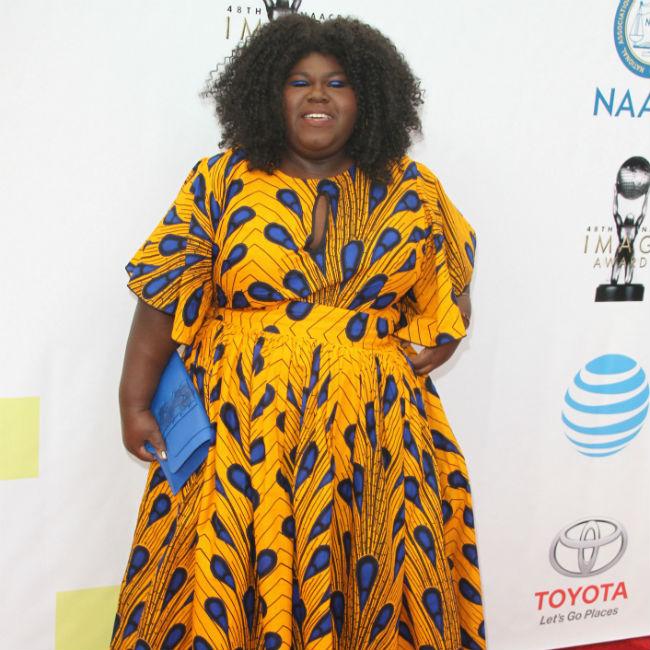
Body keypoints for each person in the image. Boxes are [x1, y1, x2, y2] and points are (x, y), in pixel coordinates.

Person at [111, 13, 484, 650]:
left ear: (368, 97)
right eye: (298, 82)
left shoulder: (412, 188)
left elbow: (450, 281)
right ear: (267, 95)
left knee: (369, 579)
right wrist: (135, 401)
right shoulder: (220, 180)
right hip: (241, 429)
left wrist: (442, 333)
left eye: (337, 82)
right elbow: (163, 296)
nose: (318, 95)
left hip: (372, 431)